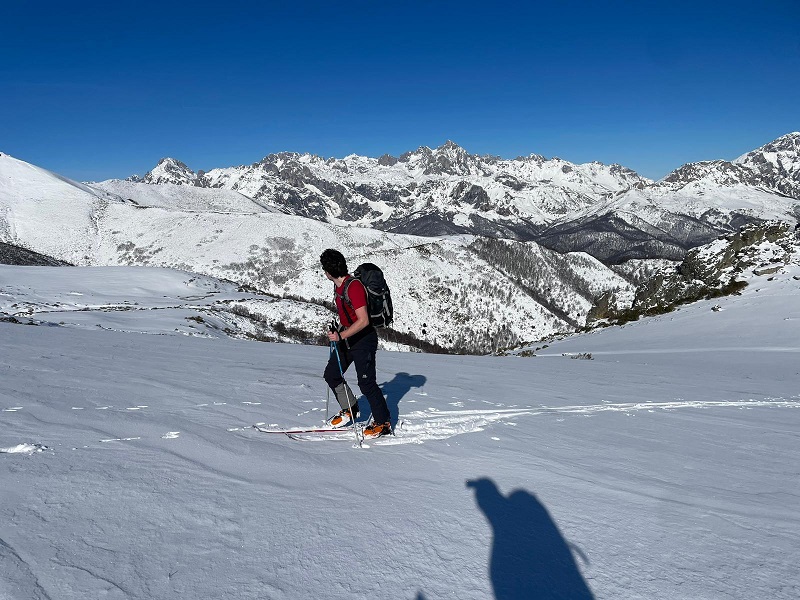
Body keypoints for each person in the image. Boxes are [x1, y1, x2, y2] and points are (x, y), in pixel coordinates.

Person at [320, 249, 392, 439]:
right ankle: (350, 409)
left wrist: (341, 336)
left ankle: (383, 423)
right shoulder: (339, 287)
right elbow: (348, 314)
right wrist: (339, 331)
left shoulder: (354, 287)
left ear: (328, 272)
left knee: (366, 383)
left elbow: (363, 321)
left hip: (363, 339)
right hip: (347, 335)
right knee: (332, 374)